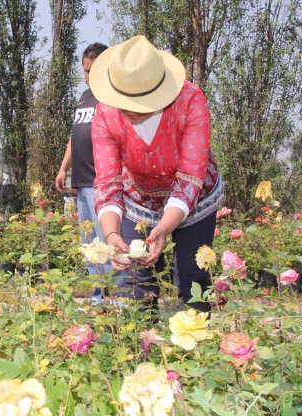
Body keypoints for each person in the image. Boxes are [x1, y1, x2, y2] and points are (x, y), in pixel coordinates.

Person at [89, 35, 224, 313]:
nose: (131, 110)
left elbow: (190, 177)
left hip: (195, 200)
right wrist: (111, 235)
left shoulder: (190, 100)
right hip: (139, 201)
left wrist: (163, 228)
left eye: (140, 102)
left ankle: (197, 338)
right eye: (124, 101)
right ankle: (141, 339)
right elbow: (107, 182)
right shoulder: (105, 114)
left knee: (192, 276)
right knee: (135, 280)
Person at [55, 42, 113, 305]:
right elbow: (74, 135)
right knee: (89, 244)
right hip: (81, 181)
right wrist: (63, 167)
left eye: (91, 71)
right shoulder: (84, 97)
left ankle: (112, 299)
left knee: (105, 241)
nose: (87, 76)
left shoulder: (112, 96)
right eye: (85, 70)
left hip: (101, 181)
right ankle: (97, 298)